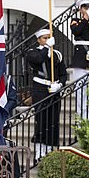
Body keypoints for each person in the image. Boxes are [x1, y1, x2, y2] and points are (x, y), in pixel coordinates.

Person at [26, 29, 67, 159]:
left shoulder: (57, 54)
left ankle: (50, 149)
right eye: (44, 38)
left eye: (49, 37)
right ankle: (40, 151)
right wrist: (47, 47)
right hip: (40, 89)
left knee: (53, 121)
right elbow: (38, 60)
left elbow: (63, 73)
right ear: (39, 40)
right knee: (42, 120)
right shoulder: (33, 53)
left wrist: (60, 84)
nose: (47, 40)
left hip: (53, 89)